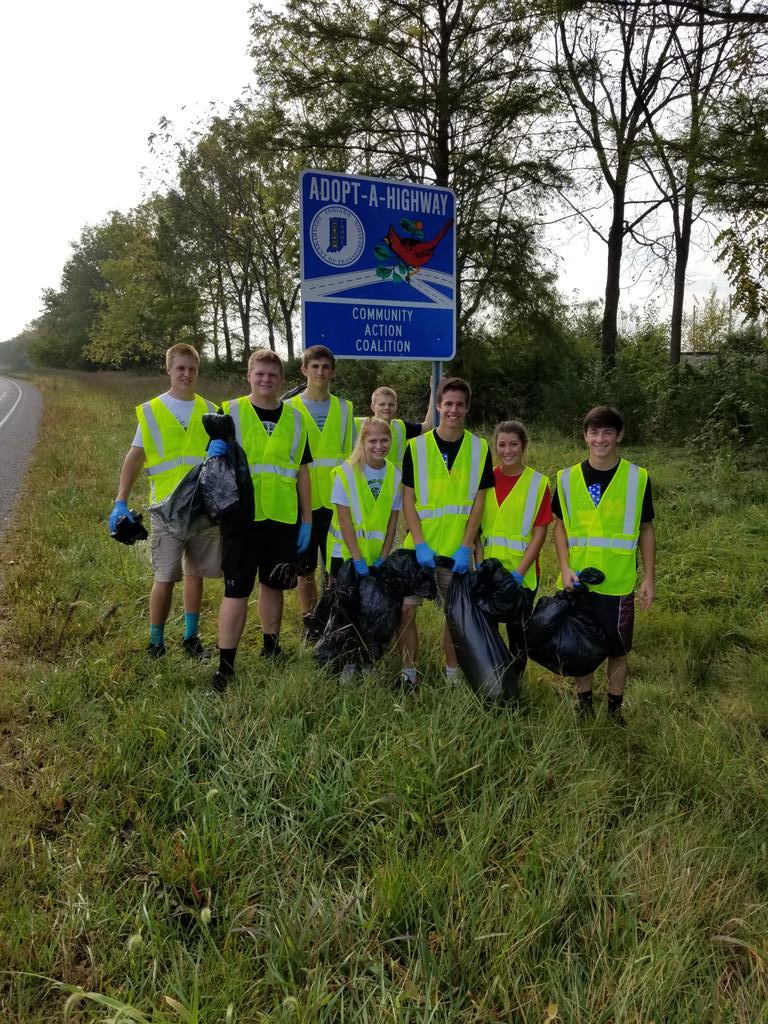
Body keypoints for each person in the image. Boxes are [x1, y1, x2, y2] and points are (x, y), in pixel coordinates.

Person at [108, 343, 220, 659]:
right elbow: (135, 457)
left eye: (192, 369)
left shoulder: (211, 409)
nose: (186, 374)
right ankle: (156, 643)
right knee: (165, 577)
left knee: (196, 575)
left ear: (198, 371)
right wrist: (120, 500)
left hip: (203, 508)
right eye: (180, 368)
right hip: (166, 510)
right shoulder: (153, 410)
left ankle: (191, 638)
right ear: (169, 369)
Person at [211, 349, 312, 691]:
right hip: (241, 518)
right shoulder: (230, 412)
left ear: (282, 379)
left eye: (273, 375)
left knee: (274, 585)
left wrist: (307, 519)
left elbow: (301, 471)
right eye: (260, 374)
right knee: (236, 590)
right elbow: (211, 468)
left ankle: (272, 647)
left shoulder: (297, 419)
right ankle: (225, 665)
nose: (266, 380)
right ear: (249, 375)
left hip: (282, 517)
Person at [552, 405, 656, 723]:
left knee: (617, 651)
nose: (600, 439)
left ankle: (614, 712)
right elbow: (560, 526)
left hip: (618, 583)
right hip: (578, 582)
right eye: (594, 432)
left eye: (607, 432)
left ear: (619, 435)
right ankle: (583, 707)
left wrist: (649, 578)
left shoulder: (638, 479)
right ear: (585, 436)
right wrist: (565, 567)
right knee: (581, 646)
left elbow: (646, 530)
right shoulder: (566, 478)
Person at [400, 376, 494, 690]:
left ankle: (452, 676)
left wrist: (467, 546)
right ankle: (408, 675)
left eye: (459, 405)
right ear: (438, 405)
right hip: (420, 548)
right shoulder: (415, 447)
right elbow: (408, 499)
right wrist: (420, 543)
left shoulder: (480, 448)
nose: (453, 410)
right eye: (448, 404)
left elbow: (479, 502)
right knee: (406, 610)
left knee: (455, 618)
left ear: (467, 409)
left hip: (456, 551)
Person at [476, 420, 553, 679]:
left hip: (522, 573)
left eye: (513, 444)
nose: (507, 450)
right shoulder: (485, 479)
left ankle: (514, 685)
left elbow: (540, 533)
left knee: (517, 633)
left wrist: (518, 574)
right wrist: (478, 564)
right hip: (488, 572)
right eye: (501, 445)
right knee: (487, 630)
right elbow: (476, 528)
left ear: (524, 446)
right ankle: (491, 681)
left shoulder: (538, 483)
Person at [327, 417, 402, 680]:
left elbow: (393, 520)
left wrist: (383, 556)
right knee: (348, 610)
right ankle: (348, 662)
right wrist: (357, 560)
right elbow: (345, 520)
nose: (379, 446)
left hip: (376, 558)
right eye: (373, 441)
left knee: (373, 611)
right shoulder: (345, 473)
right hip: (347, 557)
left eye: (384, 440)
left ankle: (368, 659)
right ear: (363, 442)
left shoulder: (395, 474)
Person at [286, 345, 354, 634]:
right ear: (304, 370)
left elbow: (352, 456)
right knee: (305, 567)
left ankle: (333, 618)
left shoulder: (344, 407)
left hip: (336, 501)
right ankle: (309, 619)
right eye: (314, 367)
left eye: (325, 367)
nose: (320, 372)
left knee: (335, 568)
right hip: (304, 501)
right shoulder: (289, 409)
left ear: (333, 372)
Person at [354, 385, 433, 467]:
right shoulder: (358, 425)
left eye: (391, 405)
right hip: (366, 477)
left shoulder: (401, 427)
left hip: (394, 478)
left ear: (396, 407)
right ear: (373, 407)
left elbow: (428, 425)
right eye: (382, 404)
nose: (387, 407)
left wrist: (434, 389)